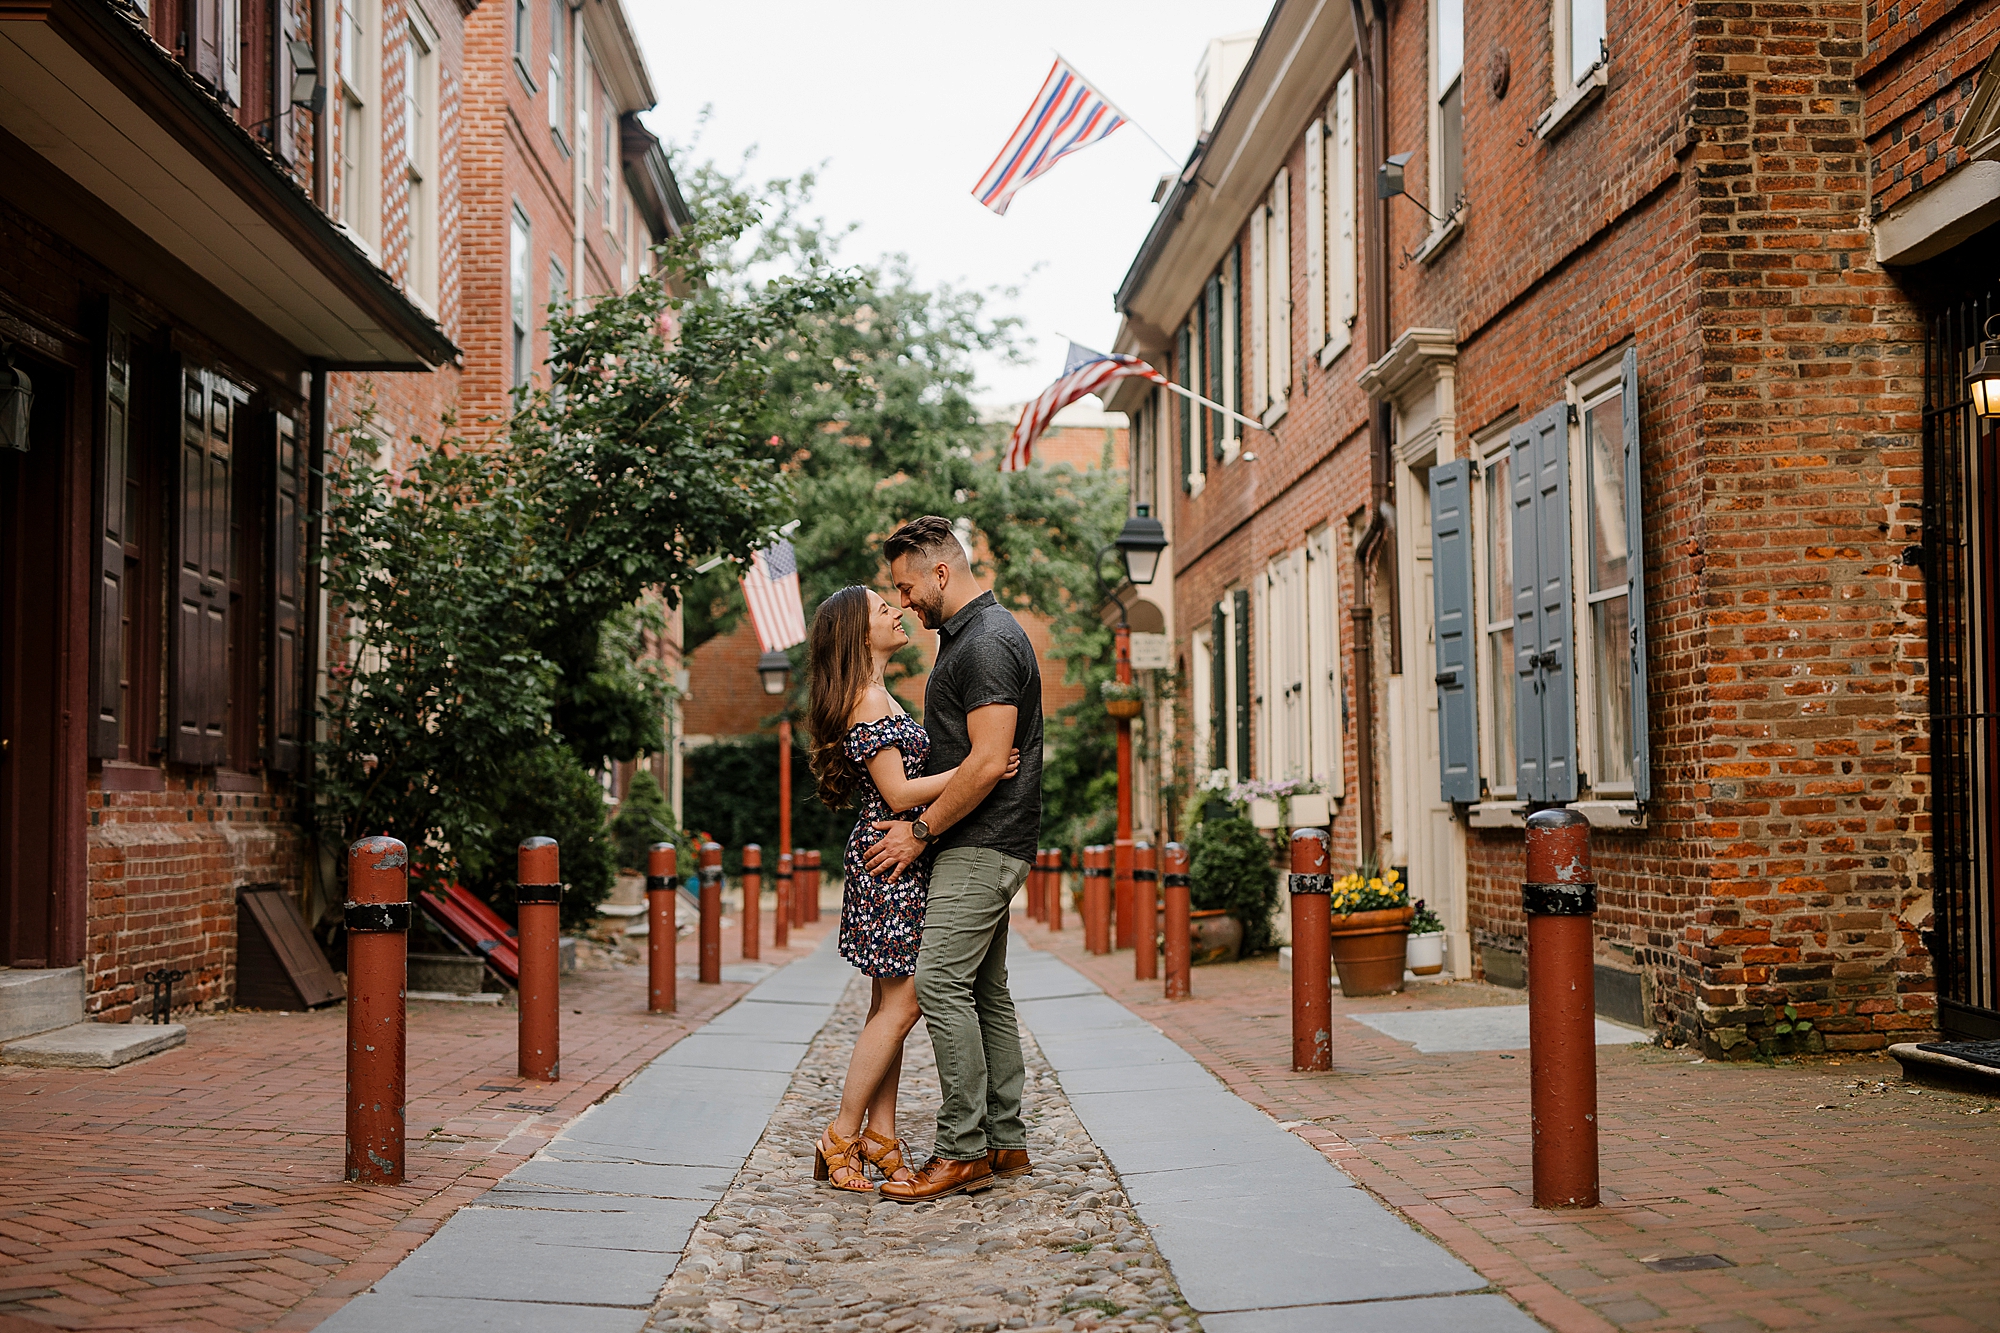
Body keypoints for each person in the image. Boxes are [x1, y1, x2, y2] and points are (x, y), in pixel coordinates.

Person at [802, 584, 1020, 1192]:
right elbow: (898, 793)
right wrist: (981, 765)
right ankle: (840, 1136)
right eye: (881, 608)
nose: (896, 611)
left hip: (893, 859)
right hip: (891, 861)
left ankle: (881, 1135)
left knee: (886, 1007)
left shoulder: (875, 695)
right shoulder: (868, 701)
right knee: (903, 1006)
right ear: (856, 631)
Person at [864, 515, 1044, 1204]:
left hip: (979, 840)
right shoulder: (971, 637)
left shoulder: (989, 642)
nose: (904, 602)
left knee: (937, 982)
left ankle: (963, 1148)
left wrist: (918, 831)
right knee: (983, 989)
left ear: (942, 571)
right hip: (984, 839)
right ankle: (1005, 1139)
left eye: (907, 588)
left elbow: (990, 760)